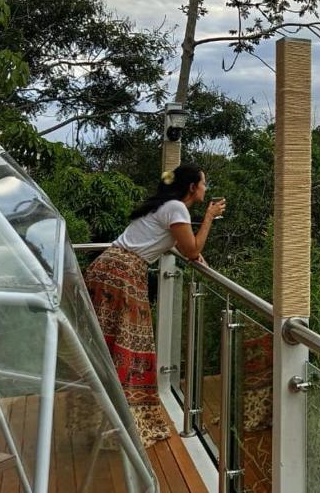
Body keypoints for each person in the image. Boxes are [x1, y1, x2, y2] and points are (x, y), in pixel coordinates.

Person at [83, 163, 226, 446]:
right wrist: (209, 216)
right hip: (124, 274)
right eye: (204, 184)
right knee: (131, 347)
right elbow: (192, 249)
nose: (206, 189)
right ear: (192, 187)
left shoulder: (165, 206)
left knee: (109, 347)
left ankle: (105, 422)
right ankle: (127, 426)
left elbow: (175, 245)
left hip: (109, 267)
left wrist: (195, 257)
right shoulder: (177, 208)